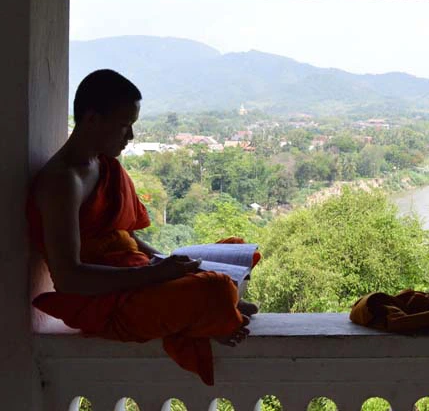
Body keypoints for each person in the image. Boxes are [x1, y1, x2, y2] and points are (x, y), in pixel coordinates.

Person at [27, 69, 257, 385]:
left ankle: (208, 311)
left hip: (137, 275)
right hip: (107, 301)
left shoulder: (106, 166)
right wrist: (155, 275)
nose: (131, 136)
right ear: (92, 119)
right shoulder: (62, 182)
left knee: (237, 251)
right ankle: (210, 314)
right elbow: (69, 278)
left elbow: (128, 238)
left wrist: (168, 264)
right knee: (216, 289)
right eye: (125, 125)